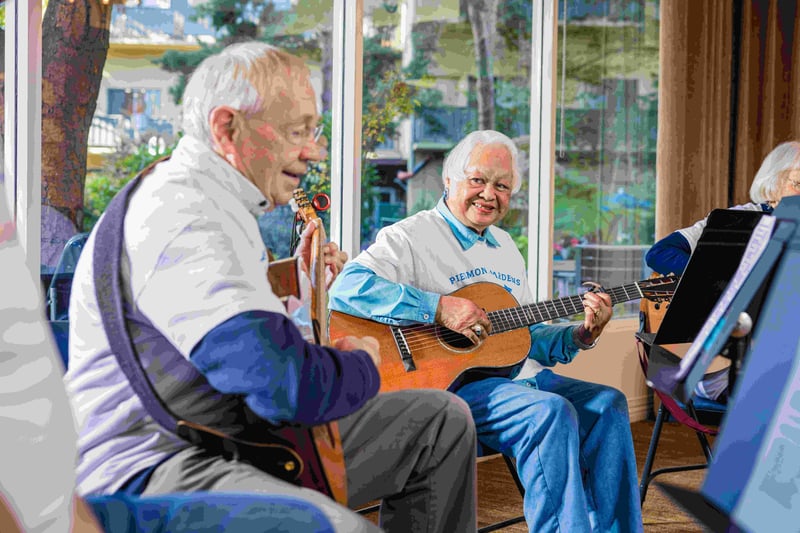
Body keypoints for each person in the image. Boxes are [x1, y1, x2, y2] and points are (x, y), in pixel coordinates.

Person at [64, 42, 477, 533]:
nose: (315, 149)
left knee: (441, 421)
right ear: (226, 128)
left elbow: (235, 343)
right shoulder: (182, 214)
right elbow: (283, 385)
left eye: (315, 130)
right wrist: (362, 362)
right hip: (152, 465)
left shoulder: (218, 204)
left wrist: (299, 292)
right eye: (297, 130)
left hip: (233, 431)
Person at [329, 130, 644, 532]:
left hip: (518, 379)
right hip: (452, 387)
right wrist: (439, 308)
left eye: (502, 185)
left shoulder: (507, 247)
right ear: (448, 180)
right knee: (549, 413)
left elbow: (527, 337)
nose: (488, 194)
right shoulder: (410, 236)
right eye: (477, 180)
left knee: (609, 404)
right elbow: (347, 288)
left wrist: (582, 335)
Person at [645, 140, 800, 401]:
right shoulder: (736, 219)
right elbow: (659, 253)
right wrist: (721, 278)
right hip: (725, 359)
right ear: (773, 181)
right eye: (798, 183)